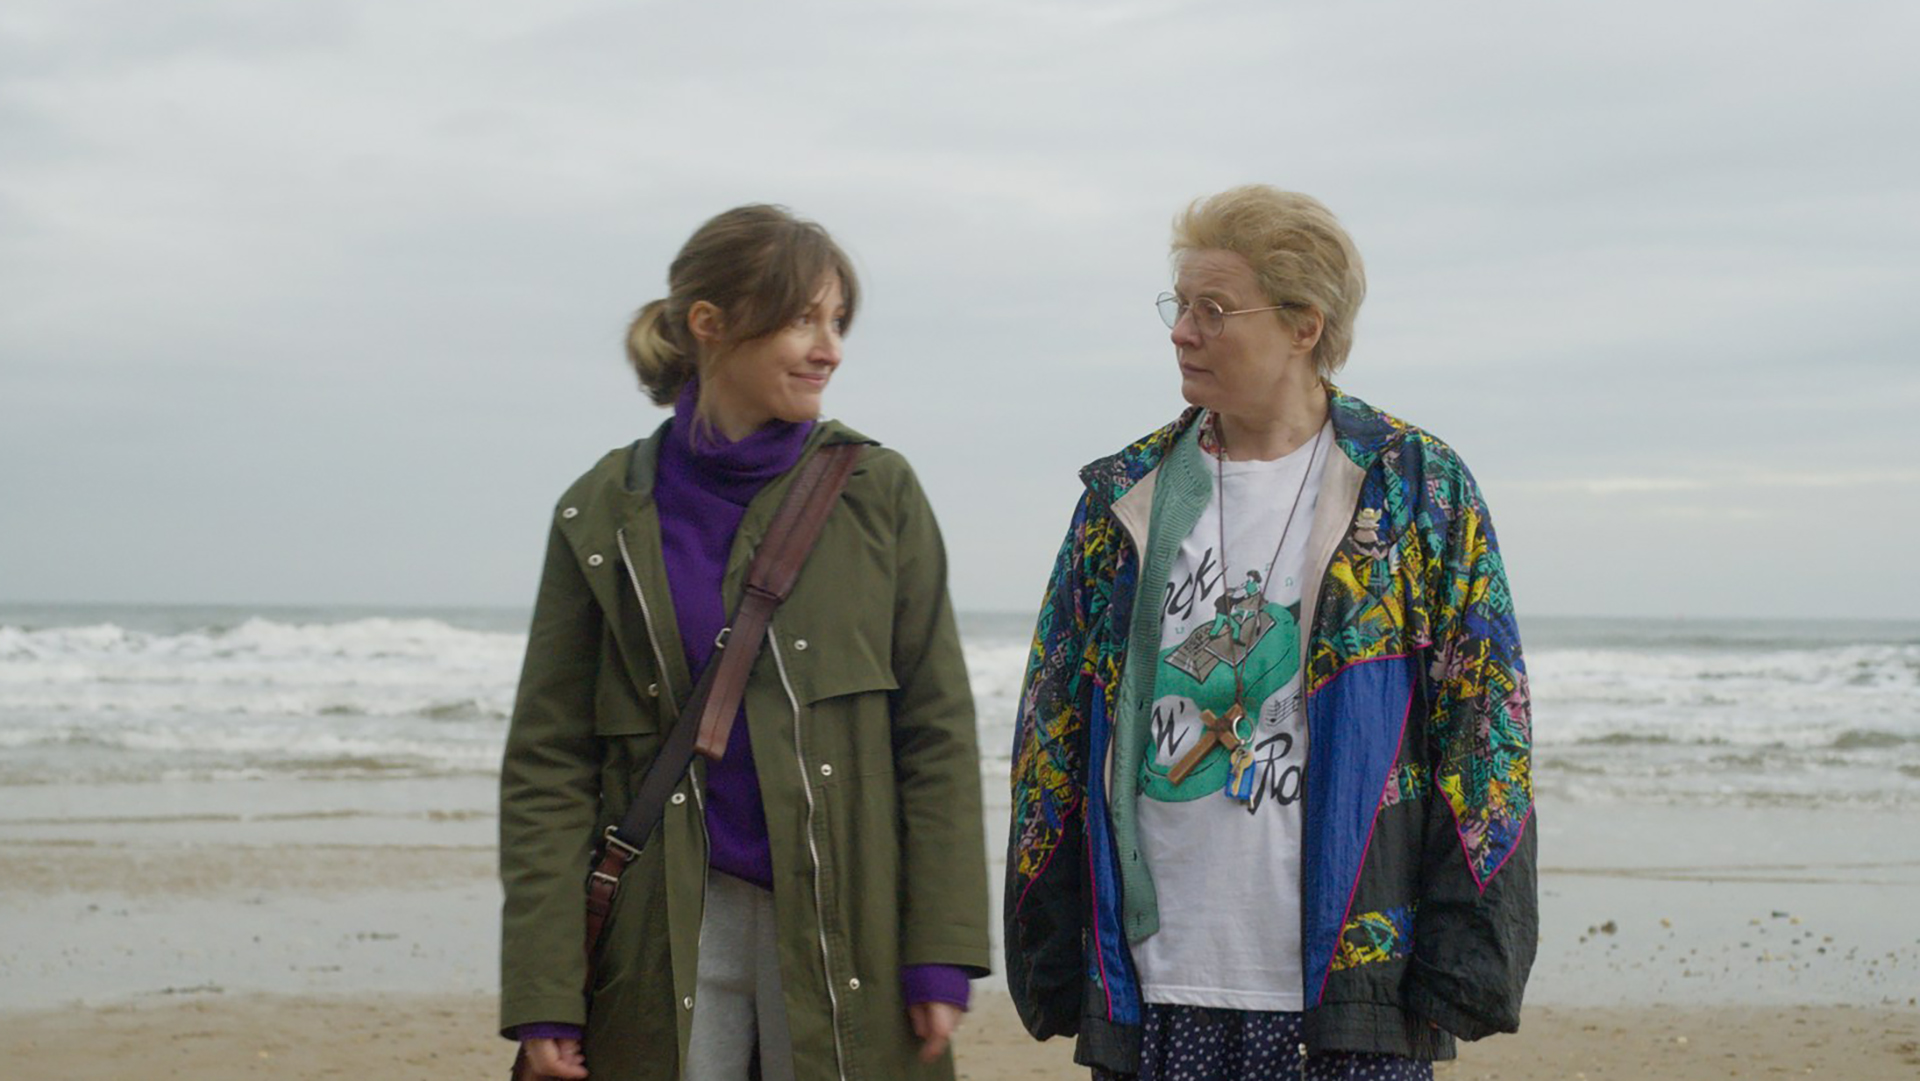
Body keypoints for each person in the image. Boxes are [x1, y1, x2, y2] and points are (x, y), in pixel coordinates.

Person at [1003, 186, 1535, 1080]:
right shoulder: (1122, 498)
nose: (1182, 332)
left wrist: (1470, 955)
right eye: (1180, 307)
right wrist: (1047, 943)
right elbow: (1052, 726)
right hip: (1154, 983)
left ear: (1302, 325)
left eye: (1214, 310)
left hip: (1350, 991)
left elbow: (1488, 725)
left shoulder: (1411, 486)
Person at [500, 204, 990, 1081]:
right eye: (803, 318)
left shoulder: (880, 494)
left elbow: (938, 734)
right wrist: (546, 987)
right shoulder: (601, 511)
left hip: (849, 925)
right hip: (664, 933)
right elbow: (548, 763)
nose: (829, 347)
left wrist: (941, 948)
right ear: (709, 324)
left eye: (838, 321)